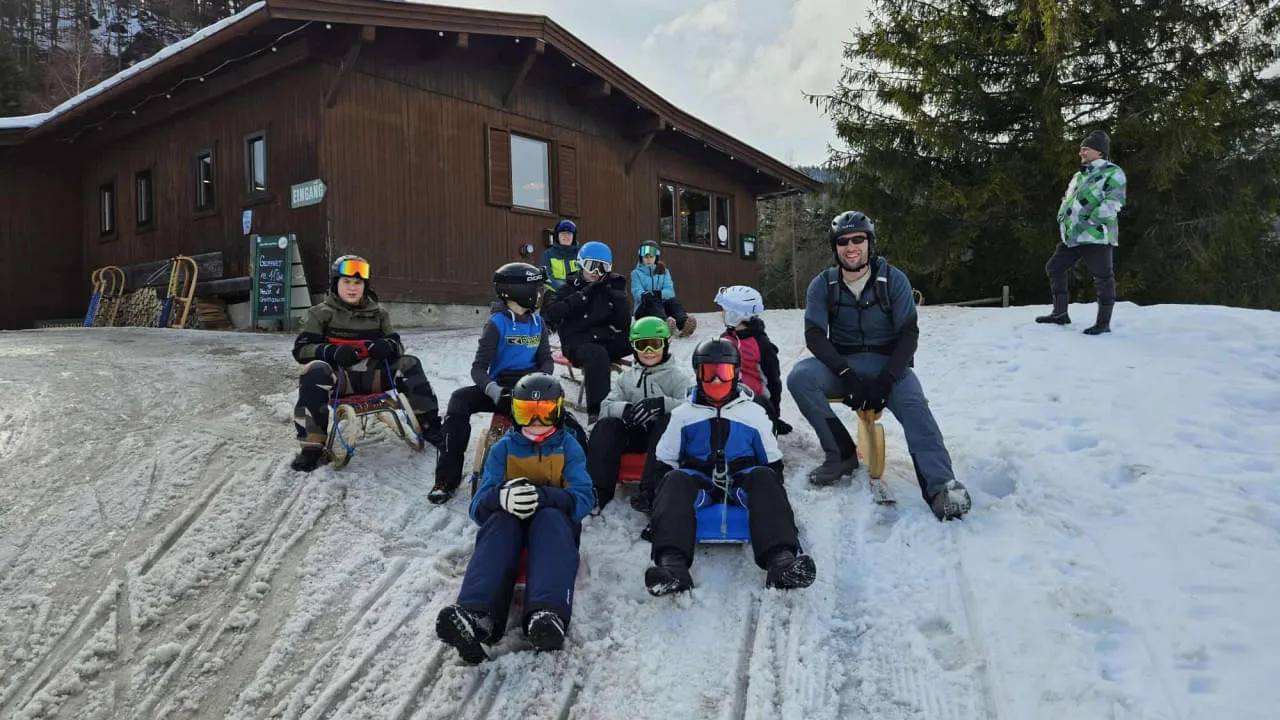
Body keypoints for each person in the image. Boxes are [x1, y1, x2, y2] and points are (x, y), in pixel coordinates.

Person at [785, 211, 971, 521]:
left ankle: (941, 486)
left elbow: (909, 333)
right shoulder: (823, 284)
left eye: (859, 239)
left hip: (889, 364)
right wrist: (846, 375)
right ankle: (841, 454)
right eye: (843, 242)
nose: (851, 247)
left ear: (870, 243)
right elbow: (815, 335)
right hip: (842, 363)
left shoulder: (893, 279)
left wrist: (887, 379)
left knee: (915, 406)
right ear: (835, 248)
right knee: (800, 377)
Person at [435, 373, 594, 663]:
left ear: (558, 411)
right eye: (526, 412)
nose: (535, 421)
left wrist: (547, 496)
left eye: (544, 412)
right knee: (498, 523)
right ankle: (477, 614)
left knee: (550, 520)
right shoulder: (502, 449)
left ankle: (547, 614)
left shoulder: (568, 447)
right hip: (511, 519)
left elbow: (584, 499)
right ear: (515, 412)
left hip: (553, 521)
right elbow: (478, 507)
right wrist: (500, 497)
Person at [644, 339, 817, 596]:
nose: (715, 381)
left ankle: (781, 561)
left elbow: (772, 462)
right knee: (674, 480)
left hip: (741, 478)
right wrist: (658, 509)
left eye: (722, 372)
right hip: (698, 478)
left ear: (735, 374)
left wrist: (770, 494)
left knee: (764, 476)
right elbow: (664, 462)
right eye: (708, 372)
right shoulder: (683, 415)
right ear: (698, 374)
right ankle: (672, 566)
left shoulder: (753, 412)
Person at [429, 262, 586, 504]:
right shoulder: (497, 324)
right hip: (502, 391)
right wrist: (494, 391)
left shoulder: (538, 323)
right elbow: (478, 368)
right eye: (536, 288)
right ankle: (446, 478)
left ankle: (578, 477)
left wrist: (540, 382)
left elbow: (545, 360)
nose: (540, 294)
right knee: (459, 400)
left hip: (531, 393)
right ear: (517, 291)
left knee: (570, 425)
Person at [290, 254, 445, 472]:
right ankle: (312, 447)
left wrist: (388, 346)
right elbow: (301, 350)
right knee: (314, 371)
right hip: (339, 381)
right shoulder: (319, 313)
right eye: (346, 282)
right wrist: (331, 351)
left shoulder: (379, 313)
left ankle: (430, 426)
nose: (352, 288)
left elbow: (397, 345)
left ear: (364, 285)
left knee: (409, 363)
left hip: (374, 377)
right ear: (336, 284)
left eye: (357, 283)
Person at [587, 316, 692, 512]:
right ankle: (597, 491)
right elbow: (605, 406)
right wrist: (625, 410)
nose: (649, 351)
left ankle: (651, 493)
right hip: (635, 434)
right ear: (634, 348)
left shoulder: (677, 378)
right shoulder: (626, 378)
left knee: (668, 422)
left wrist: (663, 404)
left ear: (666, 345)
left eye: (655, 345)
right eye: (642, 345)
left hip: (662, 439)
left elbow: (692, 409)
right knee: (606, 425)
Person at [1037, 130, 1127, 335]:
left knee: (1103, 278)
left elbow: (1114, 202)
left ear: (1100, 152)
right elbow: (1067, 200)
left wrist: (1091, 218)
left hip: (1096, 235)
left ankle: (1103, 323)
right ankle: (1060, 313)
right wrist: (1062, 216)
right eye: (1081, 149)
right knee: (1054, 267)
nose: (1081, 152)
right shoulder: (1079, 175)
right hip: (1073, 235)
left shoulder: (1113, 173)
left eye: (1085, 149)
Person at [541, 241, 632, 423]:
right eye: (591, 266)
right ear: (580, 263)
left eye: (602, 268)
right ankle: (597, 413)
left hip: (603, 339)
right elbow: (550, 313)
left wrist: (621, 300)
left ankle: (645, 392)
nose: (595, 272)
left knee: (641, 342)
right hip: (576, 343)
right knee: (597, 354)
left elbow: (623, 326)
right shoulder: (570, 287)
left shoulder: (608, 289)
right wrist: (580, 297)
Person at [714, 285, 791, 436]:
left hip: (756, 402)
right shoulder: (725, 339)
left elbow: (773, 382)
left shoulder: (762, 345)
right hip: (728, 399)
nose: (721, 313)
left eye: (724, 310)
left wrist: (774, 415)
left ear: (736, 314)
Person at [630, 240, 696, 338]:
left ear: (656, 257)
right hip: (643, 308)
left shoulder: (664, 271)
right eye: (645, 257)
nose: (648, 259)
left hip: (662, 306)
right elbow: (636, 290)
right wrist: (644, 295)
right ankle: (664, 324)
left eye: (651, 257)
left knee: (672, 302)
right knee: (652, 301)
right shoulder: (636, 273)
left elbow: (670, 291)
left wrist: (659, 294)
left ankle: (684, 323)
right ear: (641, 258)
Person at [541, 219, 581, 293]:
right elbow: (547, 277)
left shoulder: (581, 253)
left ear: (574, 236)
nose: (566, 237)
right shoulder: (549, 254)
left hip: (578, 293)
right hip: (555, 294)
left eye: (569, 234)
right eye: (563, 234)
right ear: (557, 236)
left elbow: (585, 275)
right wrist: (564, 289)